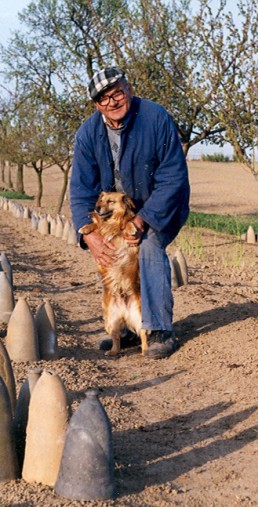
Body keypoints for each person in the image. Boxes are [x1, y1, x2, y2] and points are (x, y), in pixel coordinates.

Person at [69, 66, 190, 360]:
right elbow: (81, 189)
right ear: (96, 105)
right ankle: (125, 327)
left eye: (117, 93)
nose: (112, 102)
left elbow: (173, 177)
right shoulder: (88, 133)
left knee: (147, 247)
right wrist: (88, 233)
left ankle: (159, 329)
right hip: (115, 217)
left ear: (129, 90)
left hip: (160, 208)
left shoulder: (155, 118)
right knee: (111, 254)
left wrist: (142, 219)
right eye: (103, 99)